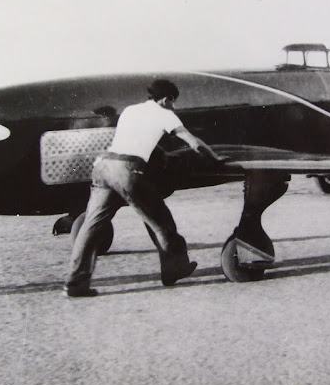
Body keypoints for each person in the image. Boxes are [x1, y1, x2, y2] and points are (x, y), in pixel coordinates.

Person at [64, 79, 226, 297]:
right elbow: (193, 141)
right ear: (166, 99)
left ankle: (75, 283)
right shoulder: (166, 114)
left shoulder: (130, 110)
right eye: (173, 102)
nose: (174, 106)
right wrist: (215, 158)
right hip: (127, 170)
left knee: (92, 226)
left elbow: (135, 139)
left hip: (103, 166)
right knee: (161, 220)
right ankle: (174, 268)